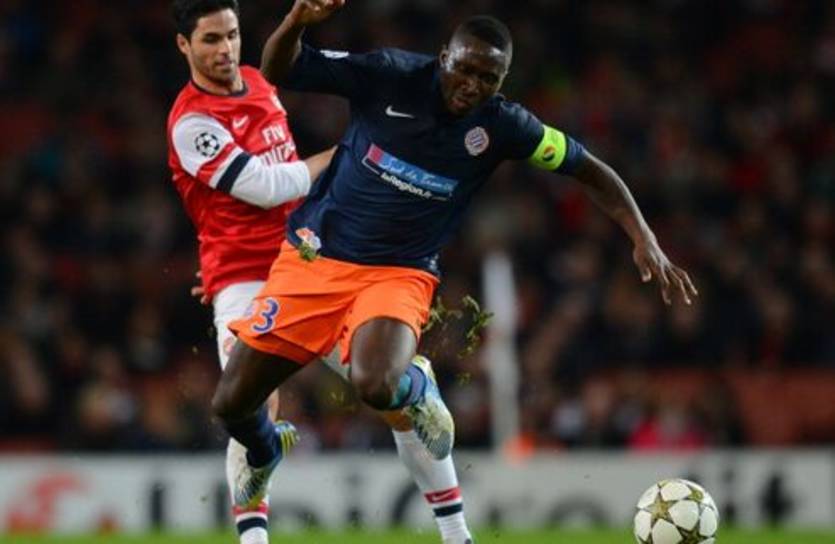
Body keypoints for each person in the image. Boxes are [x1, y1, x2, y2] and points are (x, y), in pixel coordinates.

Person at [212, 0, 697, 539]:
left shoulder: (505, 125)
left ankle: (417, 387)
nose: (472, 85)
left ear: (502, 80)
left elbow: (589, 169)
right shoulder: (390, 75)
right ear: (445, 55)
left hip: (398, 273)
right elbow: (280, 68)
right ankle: (265, 451)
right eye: (465, 69)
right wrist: (296, 22)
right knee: (231, 405)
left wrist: (644, 236)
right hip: (312, 259)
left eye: (489, 78)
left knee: (376, 384)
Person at [168, 2, 474, 544]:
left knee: (389, 397)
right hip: (243, 277)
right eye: (211, 39)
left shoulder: (259, 83)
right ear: (184, 46)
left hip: (313, 258)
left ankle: (457, 535)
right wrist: (348, 155)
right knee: (249, 406)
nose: (226, 50)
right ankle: (258, 516)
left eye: (232, 35)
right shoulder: (191, 122)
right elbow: (266, 187)